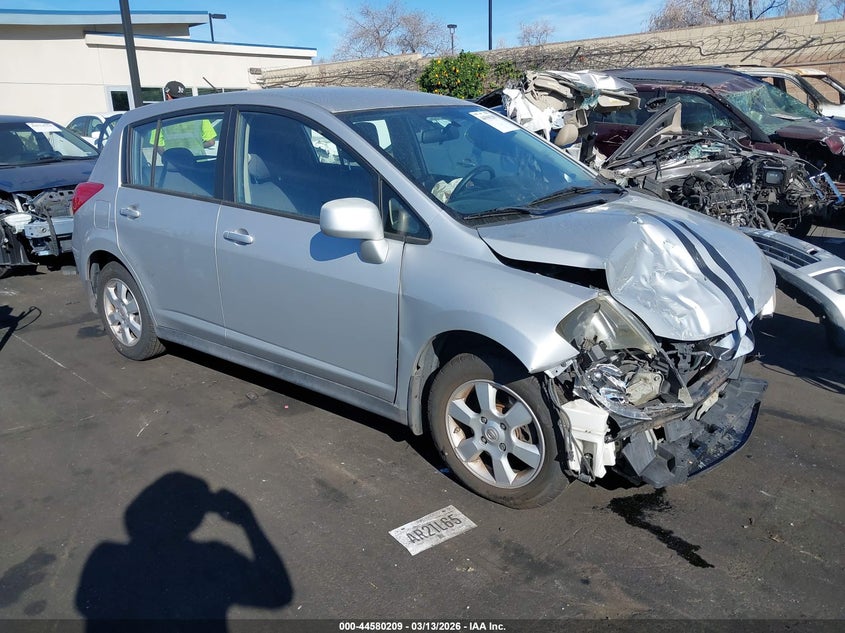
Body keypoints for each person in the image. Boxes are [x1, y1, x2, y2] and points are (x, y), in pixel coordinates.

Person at [152, 80, 217, 154]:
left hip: (174, 163)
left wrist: (167, 158)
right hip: (198, 162)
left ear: (168, 96)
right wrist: (195, 146)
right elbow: (211, 142)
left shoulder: (161, 117)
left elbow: (157, 145)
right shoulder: (198, 114)